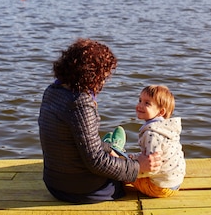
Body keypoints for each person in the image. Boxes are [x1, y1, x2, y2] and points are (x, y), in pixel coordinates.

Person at [38, 38, 161, 203]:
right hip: (81, 190)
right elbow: (96, 161)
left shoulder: (53, 90)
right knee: (121, 181)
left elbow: (76, 141)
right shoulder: (80, 102)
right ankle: (118, 149)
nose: (104, 81)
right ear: (91, 74)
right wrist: (138, 167)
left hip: (53, 184)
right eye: (104, 75)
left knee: (113, 157)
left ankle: (113, 146)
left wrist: (107, 149)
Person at [128, 85, 186, 198]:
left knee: (119, 175)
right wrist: (134, 158)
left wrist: (130, 169)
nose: (140, 105)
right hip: (175, 182)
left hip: (159, 188)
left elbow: (152, 168)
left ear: (161, 112)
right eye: (140, 100)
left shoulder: (152, 135)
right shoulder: (167, 129)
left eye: (147, 103)